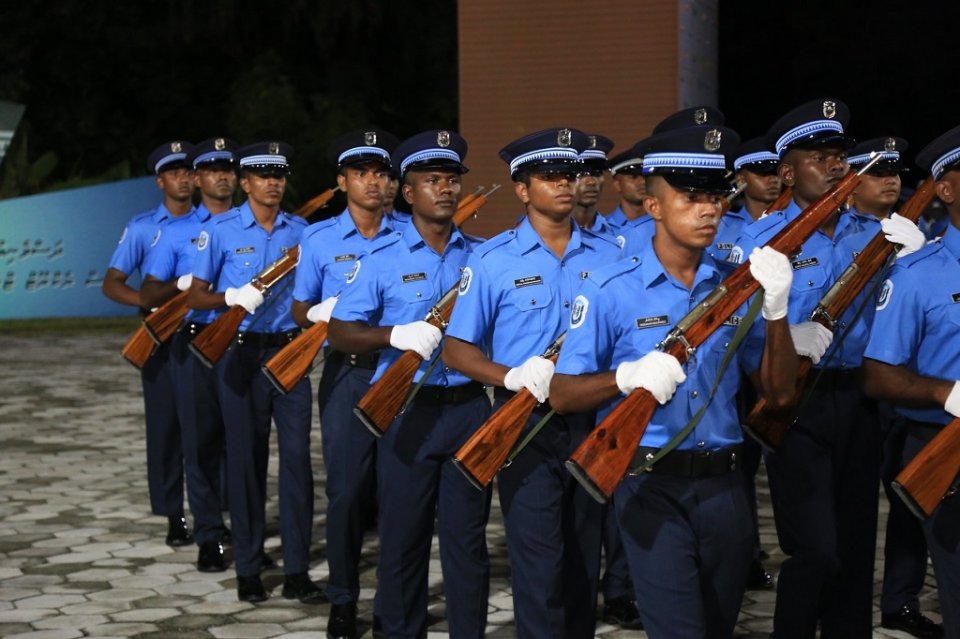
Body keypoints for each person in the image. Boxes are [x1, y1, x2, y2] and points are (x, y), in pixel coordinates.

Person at [550, 119, 801, 638]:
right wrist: (624, 378)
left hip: (727, 487)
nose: (709, 208)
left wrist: (775, 310)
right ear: (654, 206)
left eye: (715, 195)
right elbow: (562, 392)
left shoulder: (737, 287)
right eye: (690, 197)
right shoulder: (608, 287)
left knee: (717, 627)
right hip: (650, 484)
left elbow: (778, 393)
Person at [728, 99, 924, 638]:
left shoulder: (875, 234)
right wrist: (786, 339)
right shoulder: (761, 241)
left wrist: (915, 263)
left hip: (859, 399)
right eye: (820, 156)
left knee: (858, 548)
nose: (836, 165)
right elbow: (738, 336)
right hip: (795, 402)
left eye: (840, 155)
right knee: (817, 550)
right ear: (787, 172)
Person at [442, 127, 622, 639]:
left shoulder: (610, 256)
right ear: (522, 190)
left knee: (585, 563)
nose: (565, 184)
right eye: (550, 176)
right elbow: (457, 348)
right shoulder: (492, 259)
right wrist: (511, 375)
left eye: (571, 174)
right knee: (540, 567)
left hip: (593, 419)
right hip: (524, 426)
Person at [328, 129, 491, 639]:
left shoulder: (485, 257)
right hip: (406, 410)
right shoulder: (381, 258)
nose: (444, 189)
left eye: (451, 180)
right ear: (407, 192)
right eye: (430, 181)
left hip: (468, 407)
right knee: (402, 539)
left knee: (467, 542)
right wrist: (392, 333)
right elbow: (339, 331)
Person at [187, 141, 323, 604]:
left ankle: (298, 569)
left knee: (297, 467)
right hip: (240, 357)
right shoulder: (220, 231)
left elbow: (312, 293)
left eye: (279, 175)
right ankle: (247, 566)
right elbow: (195, 297)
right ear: (245, 183)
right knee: (245, 465)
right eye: (263, 175)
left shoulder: (303, 232)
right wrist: (227, 299)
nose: (273, 183)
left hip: (289, 357)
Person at [290, 128, 400, 637]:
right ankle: (342, 599)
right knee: (347, 492)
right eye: (362, 174)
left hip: (403, 376)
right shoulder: (317, 238)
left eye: (381, 173)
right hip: (349, 376)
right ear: (342, 181)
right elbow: (297, 304)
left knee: (400, 492)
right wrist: (318, 312)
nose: (374, 183)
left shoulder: (410, 234)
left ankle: (394, 601)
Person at [861, 126, 960, 638]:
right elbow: (879, 375)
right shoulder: (918, 274)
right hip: (944, 445)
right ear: (945, 188)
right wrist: (947, 392)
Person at [140, 137, 239, 572]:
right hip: (193, 343)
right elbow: (147, 291)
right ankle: (208, 532)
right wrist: (181, 285)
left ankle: (235, 518)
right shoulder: (175, 233)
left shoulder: (252, 228)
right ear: (198, 179)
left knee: (238, 443)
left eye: (229, 168)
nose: (223, 176)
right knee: (198, 441)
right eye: (212, 169)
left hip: (241, 345)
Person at [102, 140, 196, 547]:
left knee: (208, 429)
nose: (183, 179)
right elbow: (112, 283)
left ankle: (215, 512)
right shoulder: (144, 227)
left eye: (188, 171)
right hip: (160, 338)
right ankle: (174, 513)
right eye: (173, 172)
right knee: (165, 429)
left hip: (205, 334)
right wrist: (145, 302)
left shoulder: (214, 222)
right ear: (160, 181)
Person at [710, 137, 782, 261]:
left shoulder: (794, 222)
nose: (773, 179)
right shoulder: (719, 226)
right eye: (763, 173)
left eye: (776, 173)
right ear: (740, 180)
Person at [571, 134, 617, 238]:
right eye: (581, 174)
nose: (591, 182)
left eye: (597, 173)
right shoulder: (546, 236)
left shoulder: (618, 235)